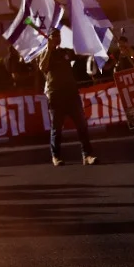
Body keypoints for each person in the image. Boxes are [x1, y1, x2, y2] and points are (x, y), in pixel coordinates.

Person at [41, 30, 96, 166]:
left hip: (71, 93)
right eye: (54, 36)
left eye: (59, 36)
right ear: (49, 38)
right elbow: (43, 67)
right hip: (56, 94)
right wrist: (48, 49)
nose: (57, 39)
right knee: (57, 128)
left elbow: (79, 55)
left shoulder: (64, 52)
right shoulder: (45, 53)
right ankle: (56, 156)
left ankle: (87, 155)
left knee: (82, 125)